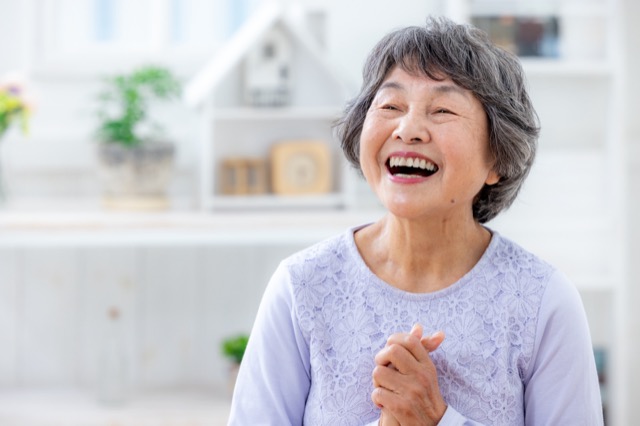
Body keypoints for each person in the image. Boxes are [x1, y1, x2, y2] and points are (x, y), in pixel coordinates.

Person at [228, 16, 603, 426]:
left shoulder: (544, 302)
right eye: (390, 106)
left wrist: (437, 419)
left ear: (497, 158)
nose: (408, 129)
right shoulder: (301, 287)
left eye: (442, 109)